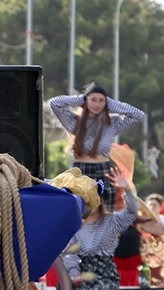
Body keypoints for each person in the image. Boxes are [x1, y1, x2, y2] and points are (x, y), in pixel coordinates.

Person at [48, 83, 146, 212]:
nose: (97, 104)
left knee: (105, 216)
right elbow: (54, 103)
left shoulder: (111, 123)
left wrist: (110, 103)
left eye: (101, 101)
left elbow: (139, 115)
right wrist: (81, 100)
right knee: (79, 212)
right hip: (80, 171)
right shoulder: (74, 122)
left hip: (103, 171)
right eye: (93, 100)